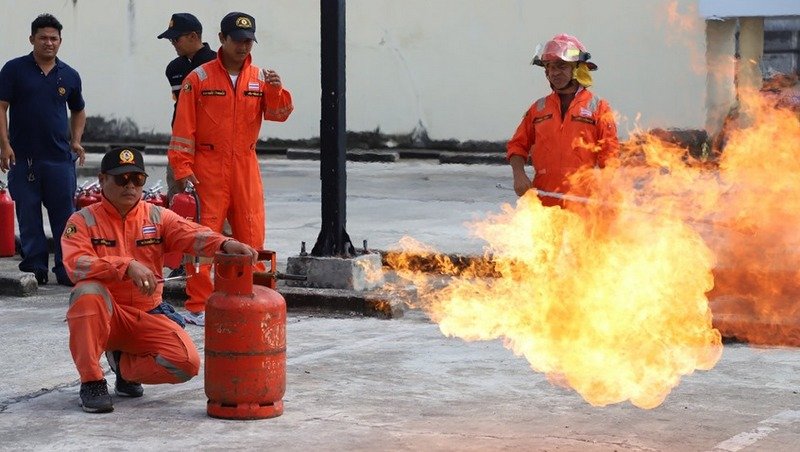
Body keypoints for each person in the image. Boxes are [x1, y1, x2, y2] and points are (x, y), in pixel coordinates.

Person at [61, 147, 258, 413]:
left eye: (137, 179)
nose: (130, 185)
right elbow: (76, 265)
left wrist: (226, 243)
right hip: (106, 314)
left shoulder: (157, 216)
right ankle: (92, 381)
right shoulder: (82, 220)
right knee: (86, 293)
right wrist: (126, 266)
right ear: (102, 178)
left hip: (146, 314)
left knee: (185, 363)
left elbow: (193, 235)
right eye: (121, 179)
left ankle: (124, 368)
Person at [169, 11, 293, 326]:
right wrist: (182, 168)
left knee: (251, 233)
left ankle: (252, 299)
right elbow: (184, 128)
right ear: (222, 39)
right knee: (203, 237)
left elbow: (279, 114)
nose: (243, 47)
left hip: (245, 164)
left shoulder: (261, 78)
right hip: (207, 165)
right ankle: (198, 304)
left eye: (248, 41)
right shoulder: (198, 79)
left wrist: (277, 90)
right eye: (237, 40)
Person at [0, 13, 86, 286]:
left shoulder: (69, 75)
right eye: (43, 38)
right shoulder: (14, 70)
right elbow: (1, 107)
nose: (49, 43)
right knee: (28, 215)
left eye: (54, 38)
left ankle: (65, 267)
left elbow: (79, 110)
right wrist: (4, 145)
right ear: (32, 39)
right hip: (23, 158)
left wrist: (76, 140)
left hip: (59, 159)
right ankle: (35, 267)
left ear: (60, 41)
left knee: (65, 217)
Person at [507, 33, 618, 207]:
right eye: (549, 67)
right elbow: (517, 145)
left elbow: (609, 154)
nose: (554, 73)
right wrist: (519, 174)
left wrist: (607, 186)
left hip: (583, 204)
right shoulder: (538, 108)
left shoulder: (598, 107)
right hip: (543, 204)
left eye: (561, 66)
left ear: (577, 69)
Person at [157, 12, 217, 203]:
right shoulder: (173, 68)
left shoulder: (217, 63)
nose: (173, 43)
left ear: (193, 36)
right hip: (181, 146)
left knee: (212, 201)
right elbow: (179, 105)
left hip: (210, 146)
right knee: (179, 201)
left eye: (176, 38)